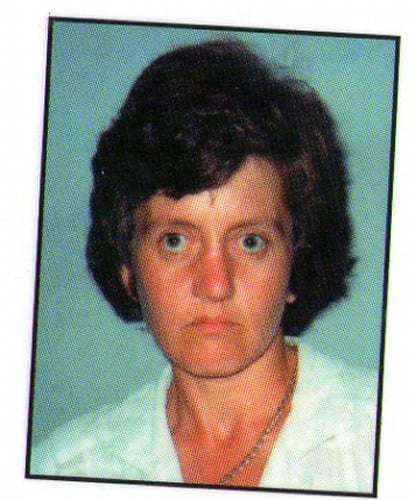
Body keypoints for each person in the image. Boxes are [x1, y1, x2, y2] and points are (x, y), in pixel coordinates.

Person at [29, 39, 377, 493]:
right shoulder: (66, 468)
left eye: (250, 242)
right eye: (175, 241)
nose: (215, 284)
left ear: (297, 262)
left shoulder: (382, 438)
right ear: (127, 269)